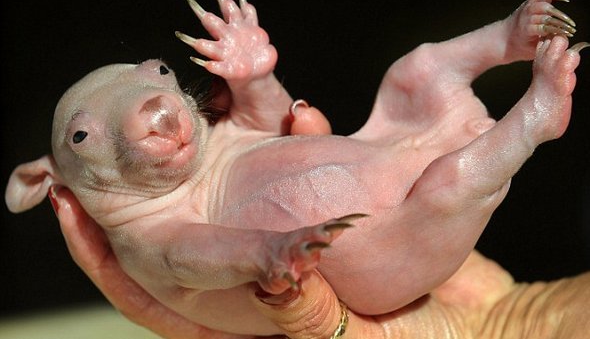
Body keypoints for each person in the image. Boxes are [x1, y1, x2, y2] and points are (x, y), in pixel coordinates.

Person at [49, 102, 590, 338]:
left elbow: (278, 121)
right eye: (83, 137)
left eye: (160, 75)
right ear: (44, 179)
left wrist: (256, 74)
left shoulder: (212, 143)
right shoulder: (143, 229)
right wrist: (264, 252)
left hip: (389, 183)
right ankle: (531, 122)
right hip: (374, 272)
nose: (157, 109)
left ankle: (525, 113)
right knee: (450, 187)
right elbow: (181, 254)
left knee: (419, 80)